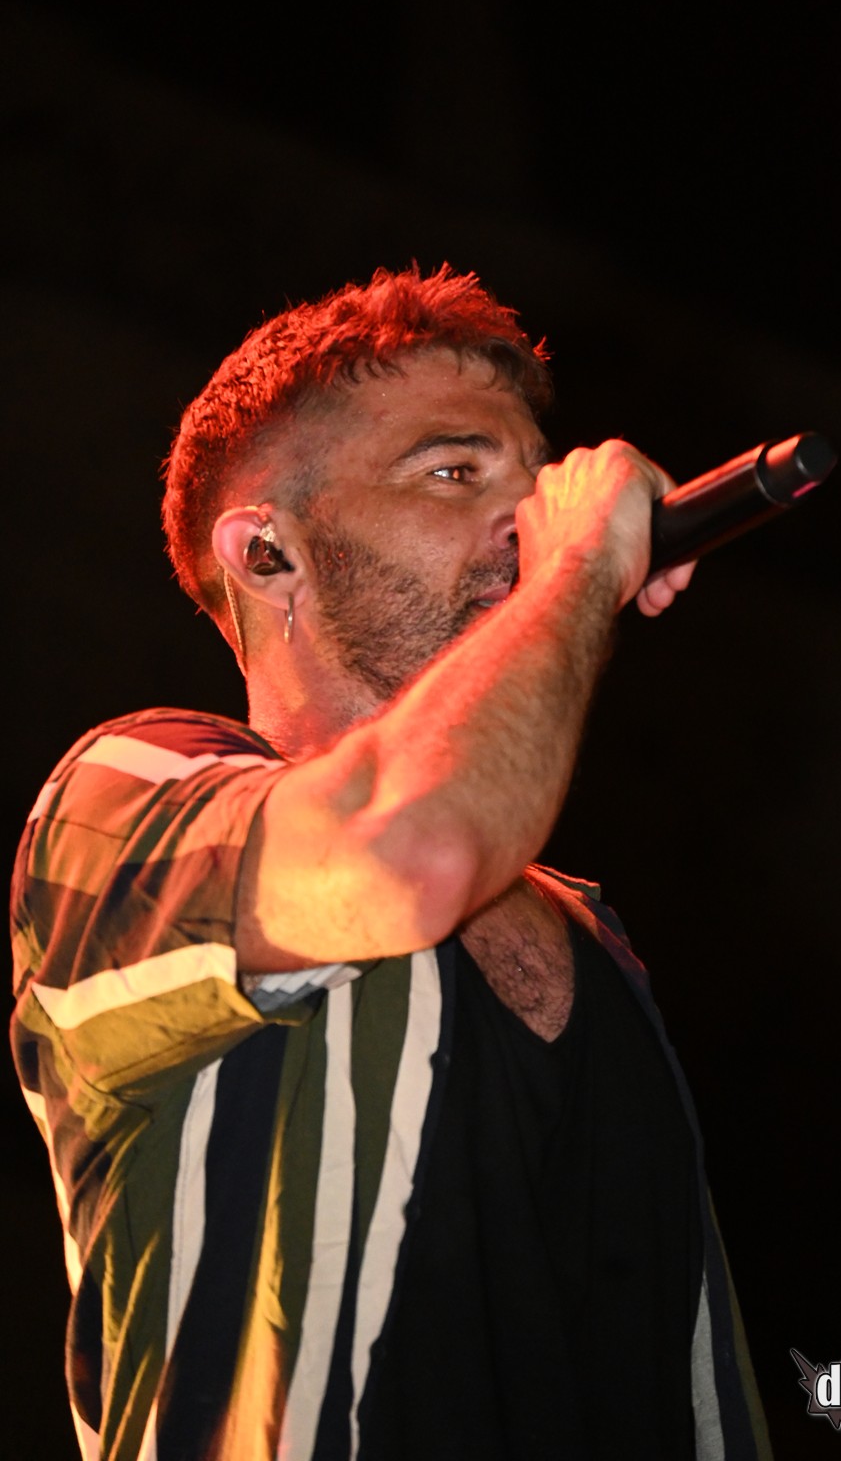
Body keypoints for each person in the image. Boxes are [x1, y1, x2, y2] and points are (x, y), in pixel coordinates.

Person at [11, 266, 772, 1461]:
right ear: (268, 553)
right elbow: (409, 850)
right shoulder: (125, 793)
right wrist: (577, 571)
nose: (527, 524)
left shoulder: (593, 931)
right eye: (453, 473)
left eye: (541, 490)